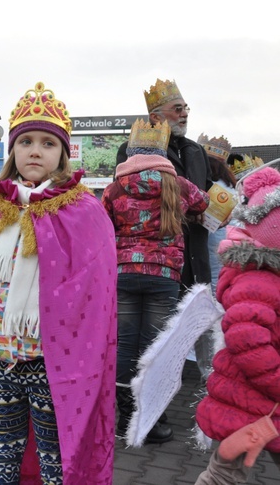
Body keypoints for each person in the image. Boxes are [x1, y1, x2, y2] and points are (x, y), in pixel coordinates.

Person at [0, 82, 118, 484]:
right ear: (13, 151)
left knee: (55, 454)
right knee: (2, 450)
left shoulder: (83, 211)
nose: (35, 150)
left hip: (52, 362)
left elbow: (96, 293)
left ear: (62, 153)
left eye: (47, 143)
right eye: (25, 142)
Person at [102, 119, 209, 445]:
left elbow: (102, 225)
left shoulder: (114, 188)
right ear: (161, 151)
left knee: (124, 346)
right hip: (164, 276)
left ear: (131, 152)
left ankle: (123, 422)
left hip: (123, 274)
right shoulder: (177, 183)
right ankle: (151, 422)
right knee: (155, 348)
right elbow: (205, 203)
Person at [117, 78, 214, 382]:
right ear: (157, 117)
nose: (185, 113)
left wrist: (216, 212)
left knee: (189, 333)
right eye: (177, 108)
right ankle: (141, 406)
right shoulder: (129, 149)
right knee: (148, 340)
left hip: (192, 255)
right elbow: (130, 199)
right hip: (160, 263)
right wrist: (189, 210)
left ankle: (193, 395)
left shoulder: (196, 151)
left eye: (186, 107)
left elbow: (207, 192)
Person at [194, 166, 280, 484]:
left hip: (254, 403)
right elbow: (248, 340)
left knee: (225, 472)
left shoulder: (265, 276)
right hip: (255, 402)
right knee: (223, 475)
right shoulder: (259, 281)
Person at [197, 133, 237, 294]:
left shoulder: (203, 183)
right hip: (229, 237)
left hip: (208, 236)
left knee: (209, 276)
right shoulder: (232, 187)